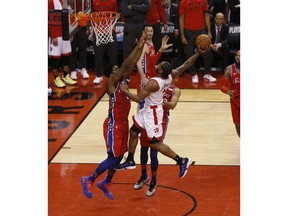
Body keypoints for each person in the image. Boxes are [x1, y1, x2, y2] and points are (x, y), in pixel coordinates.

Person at [114, 45, 208, 178]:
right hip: (147, 109)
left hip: (153, 113)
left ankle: (181, 160)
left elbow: (137, 98)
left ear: (161, 71)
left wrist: (124, 90)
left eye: (160, 64)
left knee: (155, 143)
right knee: (134, 131)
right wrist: (197, 53)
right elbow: (185, 65)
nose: (158, 64)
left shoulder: (153, 83)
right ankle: (130, 159)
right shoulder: (169, 77)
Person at [80, 31, 147, 200]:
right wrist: (138, 46)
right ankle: (89, 179)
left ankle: (106, 182)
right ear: (112, 74)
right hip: (114, 124)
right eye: (116, 70)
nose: (120, 71)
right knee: (114, 158)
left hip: (123, 123)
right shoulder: (111, 84)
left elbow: (130, 64)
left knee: (117, 159)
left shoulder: (123, 81)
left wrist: (141, 46)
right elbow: (125, 65)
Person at [134, 78, 181, 196]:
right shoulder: (157, 84)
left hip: (161, 121)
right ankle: (143, 175)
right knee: (143, 149)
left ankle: (154, 181)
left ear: (176, 78)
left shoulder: (175, 90)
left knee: (153, 152)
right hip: (148, 118)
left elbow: (173, 105)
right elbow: (142, 98)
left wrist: (164, 103)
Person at [179, 0, 216, 84]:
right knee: (189, 53)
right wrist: (182, 35)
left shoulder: (203, 0)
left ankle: (207, 73)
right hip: (188, 30)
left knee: (208, 52)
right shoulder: (183, 2)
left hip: (201, 30)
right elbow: (181, 18)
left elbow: (206, 15)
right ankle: (193, 74)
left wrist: (209, 31)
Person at [48, 0, 77, 88]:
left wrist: (69, 33)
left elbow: (66, 18)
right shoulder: (50, 2)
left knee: (66, 55)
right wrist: (53, 35)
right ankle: (56, 78)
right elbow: (48, 19)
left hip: (64, 33)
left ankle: (65, 75)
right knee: (55, 58)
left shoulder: (63, 1)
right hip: (55, 34)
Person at [91, 0, 119, 84]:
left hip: (110, 31)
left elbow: (116, 14)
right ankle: (99, 75)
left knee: (113, 55)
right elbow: (91, 15)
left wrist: (112, 26)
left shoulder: (113, 1)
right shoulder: (94, 1)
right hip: (98, 31)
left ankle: (115, 76)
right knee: (98, 54)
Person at [220, 50, 240, 137]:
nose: (238, 58)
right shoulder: (229, 69)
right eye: (236, 55)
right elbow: (222, 87)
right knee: (238, 126)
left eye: (240, 56)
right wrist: (228, 91)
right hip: (235, 102)